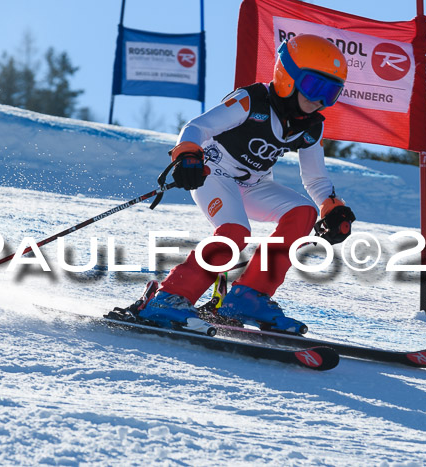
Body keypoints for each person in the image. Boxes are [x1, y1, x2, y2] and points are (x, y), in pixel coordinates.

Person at [139, 34, 356, 334]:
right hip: (213, 174)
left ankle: (248, 297)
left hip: (255, 184)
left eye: (331, 93)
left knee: (304, 212)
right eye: (315, 86)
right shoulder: (251, 101)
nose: (319, 99)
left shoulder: (311, 127)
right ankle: (170, 298)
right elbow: (197, 127)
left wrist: (331, 207)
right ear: (287, 77)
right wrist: (187, 154)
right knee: (234, 233)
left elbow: (316, 178)